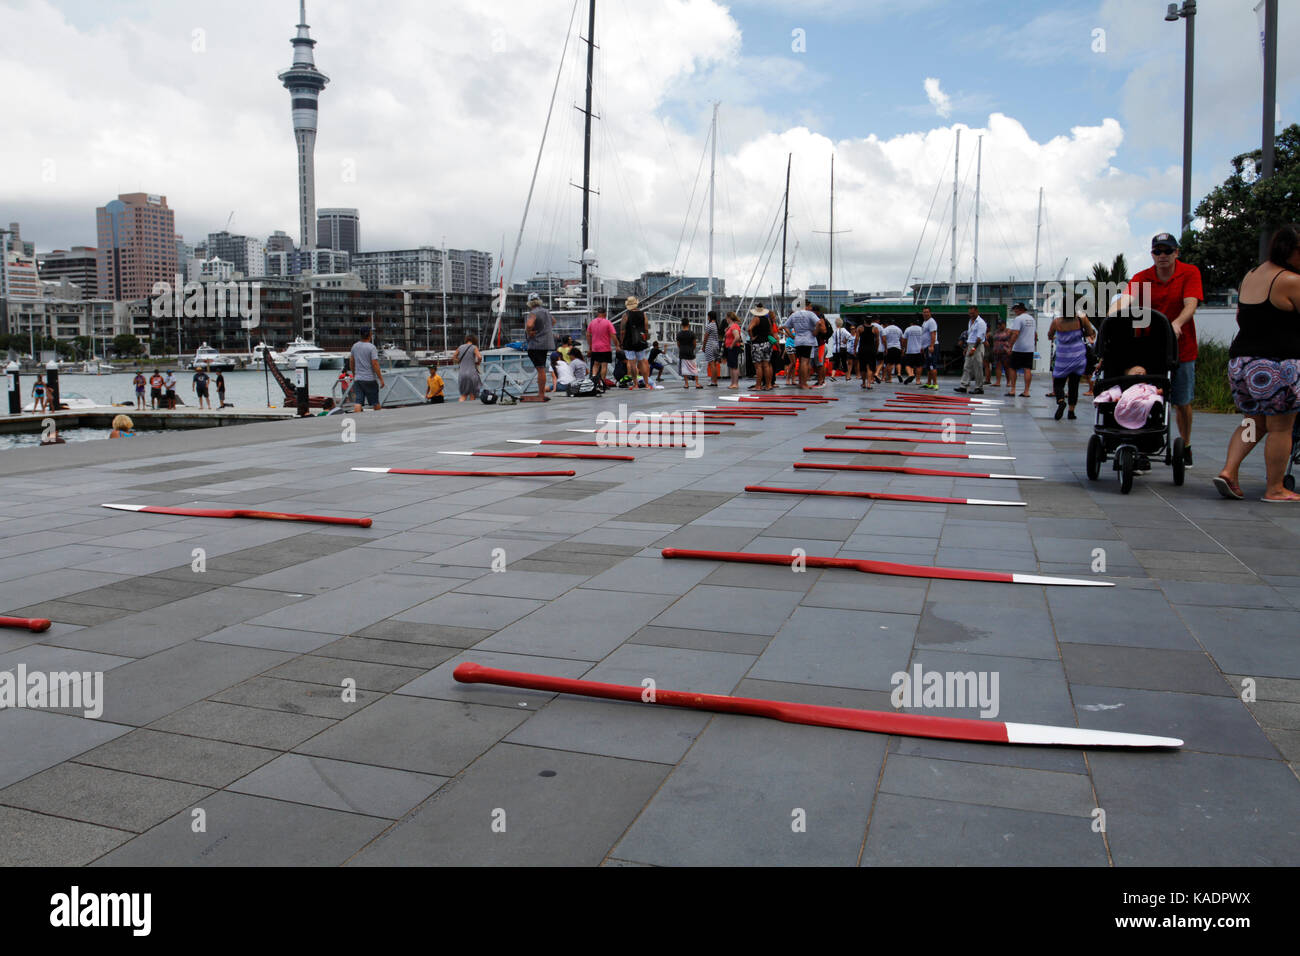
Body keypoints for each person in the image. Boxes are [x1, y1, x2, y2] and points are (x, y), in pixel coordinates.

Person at [1213, 224, 1300, 502]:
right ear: (1292, 251)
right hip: (1276, 366)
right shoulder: (1290, 280)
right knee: (1281, 427)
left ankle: (1229, 471)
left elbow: (1241, 317)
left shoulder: (1251, 275)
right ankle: (1275, 488)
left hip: (1241, 364)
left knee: (1253, 422)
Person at [1112, 232, 1204, 465]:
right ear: (1152, 254)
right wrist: (1111, 317)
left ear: (1176, 252)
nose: (1162, 255)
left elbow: (1190, 303)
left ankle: (1186, 444)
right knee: (1145, 396)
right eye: (1157, 251)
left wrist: (1177, 323)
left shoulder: (1189, 272)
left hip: (1181, 347)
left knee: (1182, 401)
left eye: (1167, 251)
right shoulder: (1142, 277)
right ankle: (1144, 444)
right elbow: (1127, 298)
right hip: (1150, 348)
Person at [1048, 310, 1095, 420]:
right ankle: (1071, 412)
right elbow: (1090, 332)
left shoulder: (1056, 322)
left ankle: (1061, 401)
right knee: (1074, 385)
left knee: (1058, 383)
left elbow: (1050, 335)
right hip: (1078, 356)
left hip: (1063, 357)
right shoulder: (1081, 319)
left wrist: (1057, 336)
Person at [782, 300, 820, 389]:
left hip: (798, 341)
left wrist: (792, 336)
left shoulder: (794, 315)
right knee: (805, 362)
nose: (811, 308)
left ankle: (800, 382)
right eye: (810, 306)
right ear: (806, 306)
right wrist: (815, 332)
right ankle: (804, 383)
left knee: (800, 362)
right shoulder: (810, 314)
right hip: (808, 340)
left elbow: (785, 326)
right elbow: (819, 323)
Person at [525, 295, 555, 402]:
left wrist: (529, 332)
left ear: (529, 303)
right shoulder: (546, 311)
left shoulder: (533, 313)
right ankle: (541, 393)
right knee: (541, 368)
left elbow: (529, 325)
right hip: (546, 344)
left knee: (540, 369)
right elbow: (553, 321)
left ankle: (541, 394)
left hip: (536, 344)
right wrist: (544, 330)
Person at [349, 327, 385, 411]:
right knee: (375, 402)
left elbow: (351, 361)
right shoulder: (371, 347)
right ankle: (378, 417)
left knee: (358, 401)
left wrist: (354, 374)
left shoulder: (355, 346)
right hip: (369, 379)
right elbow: (375, 364)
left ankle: (357, 417)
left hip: (358, 379)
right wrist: (381, 379)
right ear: (370, 335)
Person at [954, 304, 987, 394]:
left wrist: (973, 348)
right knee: (967, 366)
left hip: (977, 345)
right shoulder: (970, 321)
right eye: (970, 313)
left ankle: (979, 387)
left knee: (977, 367)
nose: (971, 315)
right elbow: (970, 335)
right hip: (970, 344)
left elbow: (979, 337)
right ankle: (964, 385)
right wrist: (967, 348)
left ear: (977, 312)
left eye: (972, 313)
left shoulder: (981, 323)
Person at [620, 296, 651, 389]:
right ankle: (646, 384)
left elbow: (622, 331)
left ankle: (635, 384)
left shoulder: (626, 315)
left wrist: (621, 342)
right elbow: (646, 328)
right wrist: (645, 338)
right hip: (640, 341)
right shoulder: (643, 314)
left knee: (632, 364)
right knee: (642, 362)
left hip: (629, 342)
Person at [1006, 303, 1036, 397]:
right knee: (1027, 369)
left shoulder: (1018, 319)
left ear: (1021, 309)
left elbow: (1015, 333)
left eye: (1016, 309)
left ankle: (1013, 390)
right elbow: (1035, 334)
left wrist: (1010, 346)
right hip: (1029, 348)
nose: (1015, 311)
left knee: (1012, 368)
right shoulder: (1032, 319)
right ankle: (1026, 391)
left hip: (1019, 347)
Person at [585, 308, 617, 388]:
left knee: (595, 365)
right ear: (605, 314)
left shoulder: (592, 322)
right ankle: (602, 383)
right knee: (604, 365)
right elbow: (613, 335)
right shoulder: (608, 322)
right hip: (605, 347)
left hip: (595, 348)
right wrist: (617, 345)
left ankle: (594, 381)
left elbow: (588, 335)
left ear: (597, 313)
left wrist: (590, 346)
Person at [747, 303, 775, 391]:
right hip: (767, 343)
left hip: (758, 344)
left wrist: (752, 337)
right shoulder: (767, 319)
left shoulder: (756, 318)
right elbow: (771, 332)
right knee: (766, 365)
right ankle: (768, 385)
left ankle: (758, 386)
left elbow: (749, 328)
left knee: (758, 366)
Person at [456, 333, 482, 402]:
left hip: (461, 374)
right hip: (471, 373)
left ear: (466, 340)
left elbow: (454, 356)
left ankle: (460, 405)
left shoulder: (460, 347)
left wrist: (459, 361)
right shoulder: (474, 347)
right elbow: (479, 357)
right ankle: (471, 407)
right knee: (472, 393)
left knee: (463, 395)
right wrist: (478, 362)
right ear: (474, 340)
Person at [676, 319, 701, 389]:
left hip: (682, 352)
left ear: (681, 325)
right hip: (690, 352)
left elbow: (678, 344)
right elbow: (694, 344)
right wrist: (692, 349)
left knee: (684, 369)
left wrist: (682, 348)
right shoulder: (692, 333)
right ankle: (697, 383)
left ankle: (686, 384)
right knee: (694, 368)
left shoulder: (679, 334)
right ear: (688, 324)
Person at [901, 317, 926, 385]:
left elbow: (904, 340)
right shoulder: (922, 329)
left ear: (911, 323)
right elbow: (925, 339)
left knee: (908, 365)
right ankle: (918, 381)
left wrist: (904, 348)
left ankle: (911, 374)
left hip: (910, 350)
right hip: (919, 350)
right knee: (919, 366)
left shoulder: (908, 329)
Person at [920, 306, 940, 390]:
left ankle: (935, 384)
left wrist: (931, 346)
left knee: (932, 365)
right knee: (928, 366)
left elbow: (933, 334)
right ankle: (928, 383)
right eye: (924, 312)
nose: (925, 314)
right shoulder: (925, 322)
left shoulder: (931, 322)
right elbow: (924, 335)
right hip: (926, 347)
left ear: (930, 313)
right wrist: (922, 347)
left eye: (927, 312)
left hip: (931, 346)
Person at [856, 319, 880, 389]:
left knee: (863, 367)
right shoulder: (875, 329)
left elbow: (856, 339)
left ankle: (863, 383)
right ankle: (869, 384)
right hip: (871, 349)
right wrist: (876, 349)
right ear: (871, 321)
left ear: (864, 321)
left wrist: (854, 349)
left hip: (862, 349)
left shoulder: (860, 328)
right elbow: (877, 340)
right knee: (870, 367)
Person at [724, 311, 743, 389]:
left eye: (726, 318)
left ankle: (735, 383)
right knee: (731, 366)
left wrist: (731, 345)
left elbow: (737, 337)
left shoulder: (734, 326)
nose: (726, 320)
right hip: (730, 348)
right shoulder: (731, 326)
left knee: (734, 366)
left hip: (733, 348)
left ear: (729, 318)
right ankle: (733, 383)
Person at [702, 310, 721, 386]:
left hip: (710, 345)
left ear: (709, 317)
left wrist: (703, 346)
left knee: (712, 364)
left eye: (708, 316)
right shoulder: (716, 325)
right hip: (716, 345)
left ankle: (713, 382)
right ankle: (715, 381)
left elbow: (706, 337)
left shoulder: (709, 325)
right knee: (715, 364)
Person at [881, 320, 903, 384]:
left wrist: (885, 348)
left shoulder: (886, 329)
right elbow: (901, 339)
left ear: (887, 323)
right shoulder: (898, 329)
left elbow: (884, 339)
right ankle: (899, 373)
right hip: (897, 347)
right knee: (898, 362)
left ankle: (890, 378)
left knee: (889, 363)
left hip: (889, 347)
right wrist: (902, 348)